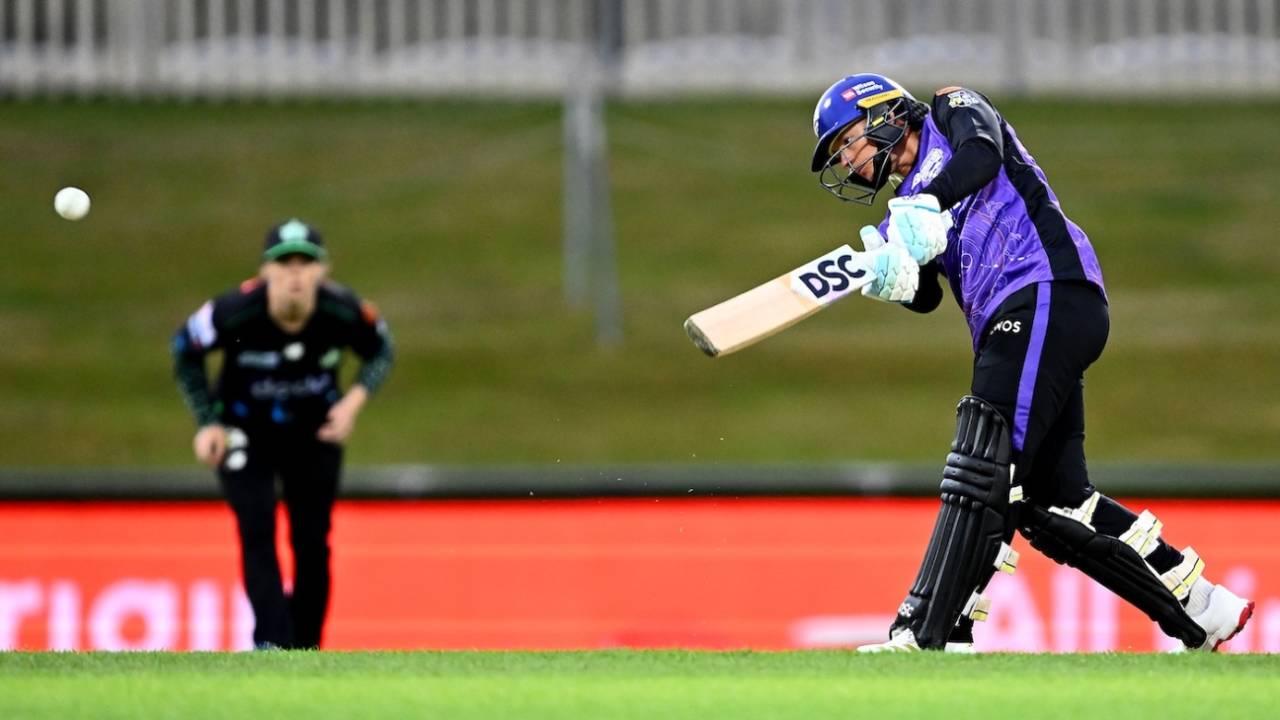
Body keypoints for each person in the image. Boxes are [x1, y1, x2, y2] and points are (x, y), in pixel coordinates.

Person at [808, 74, 1253, 652]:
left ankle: (929, 631)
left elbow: (983, 153)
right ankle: (1201, 607)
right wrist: (892, 276)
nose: (847, 161)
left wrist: (929, 202)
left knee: (984, 461)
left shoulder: (949, 109)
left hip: (1044, 287)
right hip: (1022, 318)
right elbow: (928, 295)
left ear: (882, 114)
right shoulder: (903, 213)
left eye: (847, 142)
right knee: (1052, 502)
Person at [171, 219, 393, 649]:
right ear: (265, 271)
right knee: (257, 528)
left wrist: (351, 404)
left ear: (322, 271)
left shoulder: (343, 310)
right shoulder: (234, 311)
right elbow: (184, 350)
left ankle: (305, 649)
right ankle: (272, 645)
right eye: (284, 263)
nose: (295, 273)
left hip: (314, 433)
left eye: (305, 263)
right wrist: (207, 422)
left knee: (312, 541)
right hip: (244, 432)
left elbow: (382, 349)